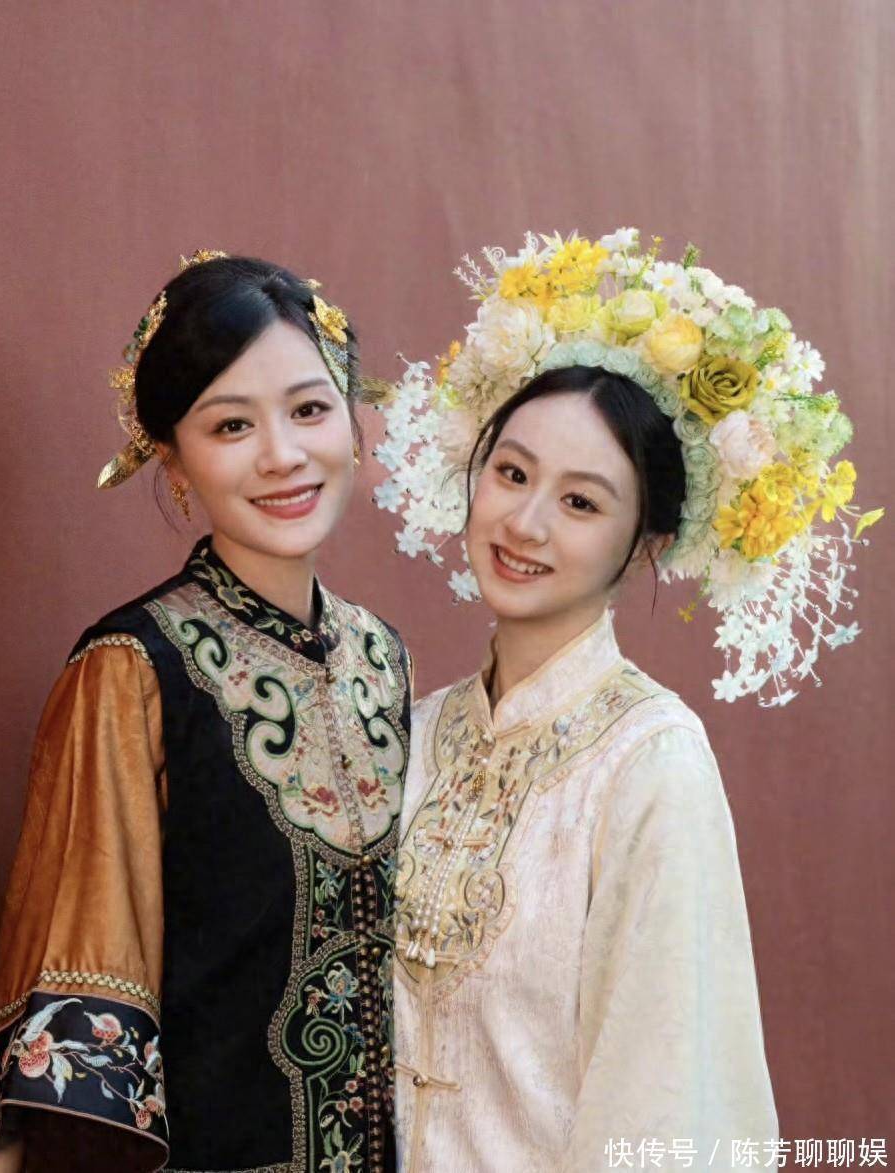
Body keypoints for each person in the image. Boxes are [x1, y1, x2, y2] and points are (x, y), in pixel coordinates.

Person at [373, 229, 880, 1171]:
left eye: (581, 502)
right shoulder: (417, 733)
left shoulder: (650, 763)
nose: (525, 522)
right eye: (512, 473)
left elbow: (662, 1092)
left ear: (644, 543)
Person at [0, 252, 411, 1173]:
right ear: (172, 459)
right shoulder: (130, 670)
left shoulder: (384, 659)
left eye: (309, 409)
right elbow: (80, 1003)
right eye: (231, 424)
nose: (282, 454)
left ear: (353, 422)